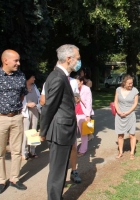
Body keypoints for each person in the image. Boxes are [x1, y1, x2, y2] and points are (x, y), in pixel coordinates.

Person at [40, 44, 81, 200]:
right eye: (77, 58)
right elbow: (49, 107)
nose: (78, 61)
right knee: (57, 172)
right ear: (68, 58)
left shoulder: (61, 75)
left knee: (60, 169)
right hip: (60, 131)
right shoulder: (57, 77)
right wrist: (43, 131)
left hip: (63, 131)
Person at [0, 49, 28, 193]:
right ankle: (1, 179)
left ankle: (14, 178)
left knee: (17, 150)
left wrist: (15, 111)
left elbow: (22, 96)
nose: (18, 63)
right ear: (5, 60)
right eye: (15, 60)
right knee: (0, 152)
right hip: (1, 119)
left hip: (16, 117)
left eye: (18, 60)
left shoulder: (21, 76)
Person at [114, 74, 139, 160]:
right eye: (129, 83)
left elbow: (135, 104)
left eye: (132, 83)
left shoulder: (135, 90)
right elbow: (116, 102)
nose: (131, 85)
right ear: (124, 83)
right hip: (119, 115)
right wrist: (119, 112)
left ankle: (132, 153)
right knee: (120, 135)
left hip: (130, 115)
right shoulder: (118, 90)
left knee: (132, 135)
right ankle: (120, 152)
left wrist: (127, 112)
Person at [21, 70, 41, 160]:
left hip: (35, 110)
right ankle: (24, 152)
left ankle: (32, 151)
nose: (34, 79)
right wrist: (26, 105)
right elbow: (19, 100)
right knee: (25, 131)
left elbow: (39, 97)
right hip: (26, 111)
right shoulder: (22, 86)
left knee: (33, 131)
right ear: (28, 77)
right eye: (33, 77)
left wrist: (37, 105)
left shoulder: (34, 86)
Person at [74, 75, 94, 157]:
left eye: (77, 82)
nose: (76, 84)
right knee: (73, 133)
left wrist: (88, 115)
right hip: (73, 113)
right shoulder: (73, 88)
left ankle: (83, 149)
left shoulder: (86, 89)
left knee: (83, 133)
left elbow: (89, 102)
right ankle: (73, 150)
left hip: (83, 113)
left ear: (81, 82)